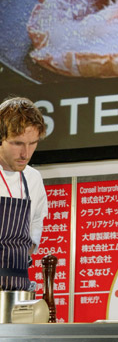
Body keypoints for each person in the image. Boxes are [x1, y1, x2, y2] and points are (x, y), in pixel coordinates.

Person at [0, 96, 48, 291]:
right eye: (17, 143)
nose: (25, 154)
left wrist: (23, 254)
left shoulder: (33, 179)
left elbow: (36, 221)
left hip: (18, 286)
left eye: (32, 143)